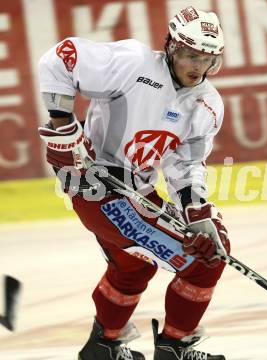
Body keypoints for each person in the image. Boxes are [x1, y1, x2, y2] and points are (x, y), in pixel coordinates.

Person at [37, 6, 230, 360]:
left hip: (137, 191)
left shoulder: (207, 104)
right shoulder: (134, 64)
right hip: (94, 185)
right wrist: (62, 128)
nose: (197, 67)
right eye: (190, 55)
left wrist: (197, 213)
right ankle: (176, 348)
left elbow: (186, 165)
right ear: (171, 46)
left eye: (206, 59)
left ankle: (103, 347)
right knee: (205, 264)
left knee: (134, 265)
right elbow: (60, 58)